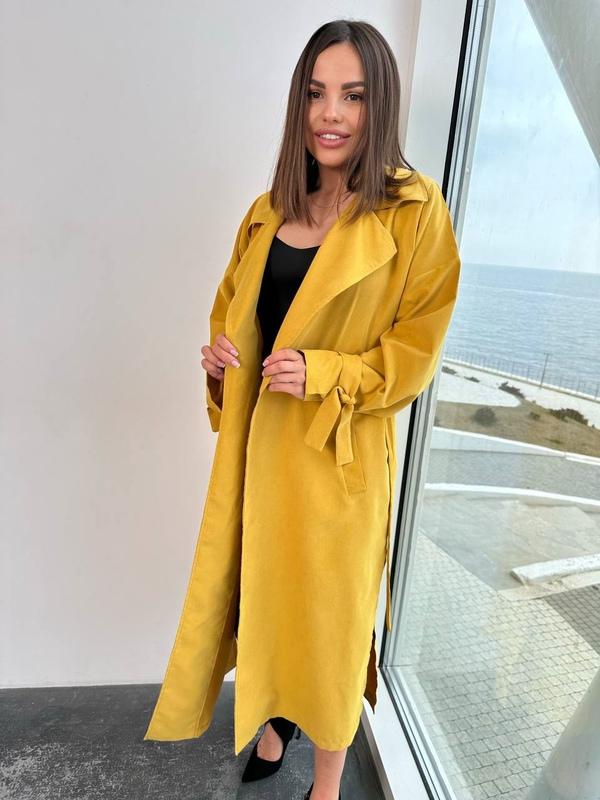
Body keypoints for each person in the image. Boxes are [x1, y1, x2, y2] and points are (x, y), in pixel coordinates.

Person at [143, 19, 461, 800]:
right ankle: (275, 725)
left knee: (330, 625)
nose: (331, 114)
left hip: (337, 464)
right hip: (262, 458)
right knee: (270, 604)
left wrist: (327, 371)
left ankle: (326, 782)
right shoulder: (268, 211)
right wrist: (219, 364)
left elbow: (414, 355)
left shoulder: (414, 212)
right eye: (317, 93)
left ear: (379, 104)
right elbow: (233, 316)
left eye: (353, 95)